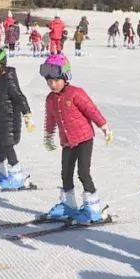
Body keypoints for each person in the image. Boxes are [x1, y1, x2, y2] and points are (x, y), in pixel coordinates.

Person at [41, 54, 114, 224]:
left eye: (56, 80)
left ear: (65, 77)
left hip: (84, 139)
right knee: (65, 173)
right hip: (67, 141)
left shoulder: (75, 93)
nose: (52, 84)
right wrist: (48, 135)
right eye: (49, 81)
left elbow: (91, 110)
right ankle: (70, 206)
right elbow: (50, 119)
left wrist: (104, 126)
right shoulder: (50, 99)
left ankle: (94, 208)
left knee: (83, 172)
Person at [0, 47, 34, 190]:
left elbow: (20, 98)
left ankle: (16, 176)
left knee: (8, 146)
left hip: (10, 120)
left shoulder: (8, 79)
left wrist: (27, 115)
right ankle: (1, 172)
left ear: (0, 65)